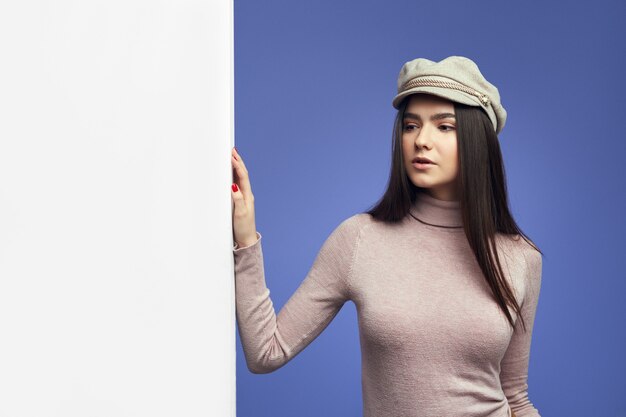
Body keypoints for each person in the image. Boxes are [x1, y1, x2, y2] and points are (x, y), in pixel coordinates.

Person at [230, 56, 542, 417]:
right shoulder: (360, 239)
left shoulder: (521, 257)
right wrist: (246, 236)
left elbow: (515, 396)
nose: (421, 141)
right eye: (411, 126)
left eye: (444, 127)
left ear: (477, 142)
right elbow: (265, 352)